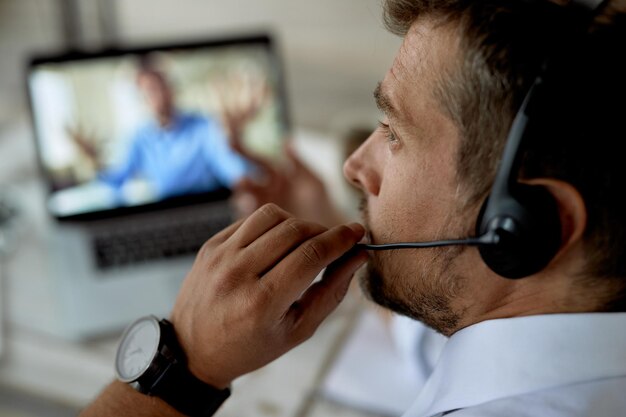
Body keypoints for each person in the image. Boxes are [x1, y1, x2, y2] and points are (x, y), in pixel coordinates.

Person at [80, 0, 626, 416]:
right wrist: (329, 214)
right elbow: (447, 323)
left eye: (394, 132)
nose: (354, 166)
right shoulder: (555, 328)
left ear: (523, 227)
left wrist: (186, 366)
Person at [70, 60, 255, 200]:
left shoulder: (204, 126)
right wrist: (95, 162)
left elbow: (236, 172)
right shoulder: (139, 138)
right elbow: (117, 181)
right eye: (150, 90)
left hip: (206, 205)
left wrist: (235, 142)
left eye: (162, 87)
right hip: (163, 209)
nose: (158, 95)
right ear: (141, 98)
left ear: (172, 90)